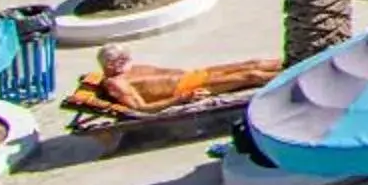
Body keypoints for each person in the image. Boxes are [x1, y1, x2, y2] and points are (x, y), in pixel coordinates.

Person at [89, 45, 278, 111]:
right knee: (251, 75)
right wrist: (181, 99)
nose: (128, 60)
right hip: (186, 88)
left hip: (192, 74)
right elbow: (142, 108)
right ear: (109, 64)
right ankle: (298, 75)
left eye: (127, 56)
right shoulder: (116, 84)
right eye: (123, 59)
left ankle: (301, 57)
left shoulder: (126, 70)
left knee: (253, 63)